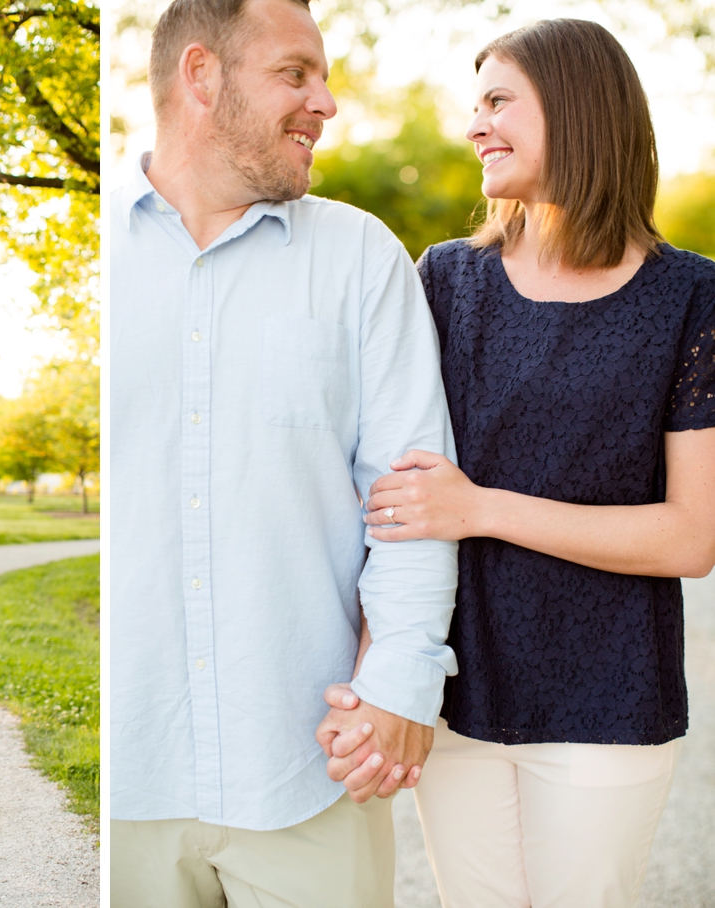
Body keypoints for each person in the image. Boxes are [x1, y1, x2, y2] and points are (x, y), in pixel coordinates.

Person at [328, 18, 715, 907]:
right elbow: (391, 491)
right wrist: (372, 670)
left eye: (498, 100)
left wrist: (484, 508)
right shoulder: (443, 281)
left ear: (578, 110)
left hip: (610, 701)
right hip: (460, 693)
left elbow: (691, 536)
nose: (476, 126)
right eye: (475, 106)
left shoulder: (691, 296)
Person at [109, 0, 458, 903]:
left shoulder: (361, 259)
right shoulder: (92, 253)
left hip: (311, 766)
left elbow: (410, 494)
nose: (327, 104)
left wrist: (402, 678)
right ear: (201, 76)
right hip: (124, 779)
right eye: (296, 74)